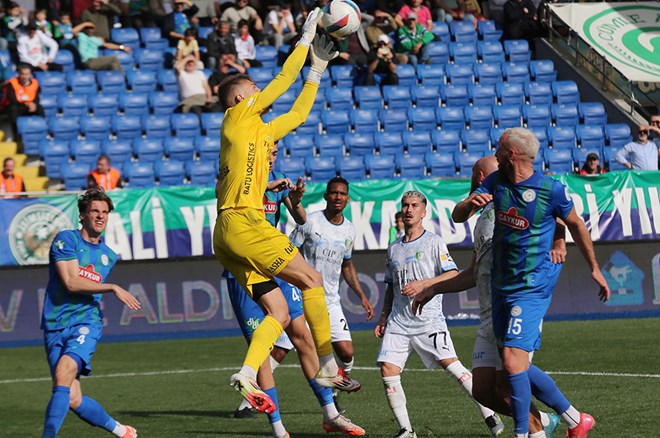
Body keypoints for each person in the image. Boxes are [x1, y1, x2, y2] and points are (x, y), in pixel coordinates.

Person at [213, 10, 360, 414]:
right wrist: (307, 36)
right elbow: (282, 82)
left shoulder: (256, 130)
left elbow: (296, 114)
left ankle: (246, 372)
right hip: (244, 221)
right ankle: (329, 365)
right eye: (254, 89)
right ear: (243, 98)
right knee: (311, 278)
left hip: (226, 234)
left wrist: (317, 69)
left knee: (277, 311)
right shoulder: (237, 115)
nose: (260, 91)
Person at [452, 127, 610, 438]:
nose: (494, 153)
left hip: (531, 288)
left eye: (499, 148)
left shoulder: (551, 190)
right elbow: (458, 216)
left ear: (511, 155)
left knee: (512, 363)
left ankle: (524, 433)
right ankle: (574, 419)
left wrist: (594, 267)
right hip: (501, 289)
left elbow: (574, 223)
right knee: (507, 370)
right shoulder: (496, 182)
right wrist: (470, 203)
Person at [409, 156, 563, 438]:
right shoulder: (482, 220)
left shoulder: (514, 208)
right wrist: (433, 288)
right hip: (488, 313)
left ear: (480, 177)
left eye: (472, 174)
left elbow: (558, 215)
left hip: (513, 305)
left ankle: (560, 422)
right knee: (483, 390)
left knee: (510, 377)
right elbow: (473, 272)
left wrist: (559, 240)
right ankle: (546, 420)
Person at [227, 143, 366, 436]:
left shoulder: (280, 179)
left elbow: (301, 220)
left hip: (274, 264)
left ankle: (331, 414)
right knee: (262, 353)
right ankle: (279, 429)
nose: (272, 155)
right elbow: (224, 197)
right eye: (268, 149)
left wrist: (295, 199)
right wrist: (266, 184)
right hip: (243, 270)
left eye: (275, 151)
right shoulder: (240, 173)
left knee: (303, 336)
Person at [375, 190, 504, 438]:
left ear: (424, 212)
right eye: (405, 205)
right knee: (388, 371)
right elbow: (390, 286)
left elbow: (453, 274)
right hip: (398, 323)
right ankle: (406, 430)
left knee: (453, 367)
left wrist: (425, 284)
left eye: (414, 205)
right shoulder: (393, 249)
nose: (409, 209)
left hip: (428, 321)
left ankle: (488, 412)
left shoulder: (433, 242)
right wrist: (384, 316)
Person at [40, 187, 141, 438]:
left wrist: (108, 287)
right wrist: (113, 287)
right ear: (82, 215)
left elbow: (86, 289)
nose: (100, 216)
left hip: (86, 323)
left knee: (63, 373)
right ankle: (120, 430)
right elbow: (72, 283)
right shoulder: (67, 240)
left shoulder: (108, 255)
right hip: (54, 324)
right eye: (94, 211)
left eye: (104, 212)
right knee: (72, 397)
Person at [290, 176, 375, 409]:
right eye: (334, 193)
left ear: (347, 199)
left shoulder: (349, 230)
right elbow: (290, 252)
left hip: (330, 300)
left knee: (346, 352)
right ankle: (249, 400)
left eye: (342, 194)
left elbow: (347, 265)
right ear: (326, 196)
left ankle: (337, 385)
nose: (338, 197)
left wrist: (361, 295)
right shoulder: (309, 222)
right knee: (280, 349)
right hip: (304, 296)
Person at [4, 64, 45, 136]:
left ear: (30, 74)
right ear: (19, 74)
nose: (24, 77)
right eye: (22, 74)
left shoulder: (35, 83)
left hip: (30, 106)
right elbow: (12, 99)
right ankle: (16, 134)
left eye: (27, 74)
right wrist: (25, 105)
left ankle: (42, 130)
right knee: (12, 108)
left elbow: (36, 97)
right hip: (19, 106)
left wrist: (34, 104)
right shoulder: (12, 83)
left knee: (40, 108)